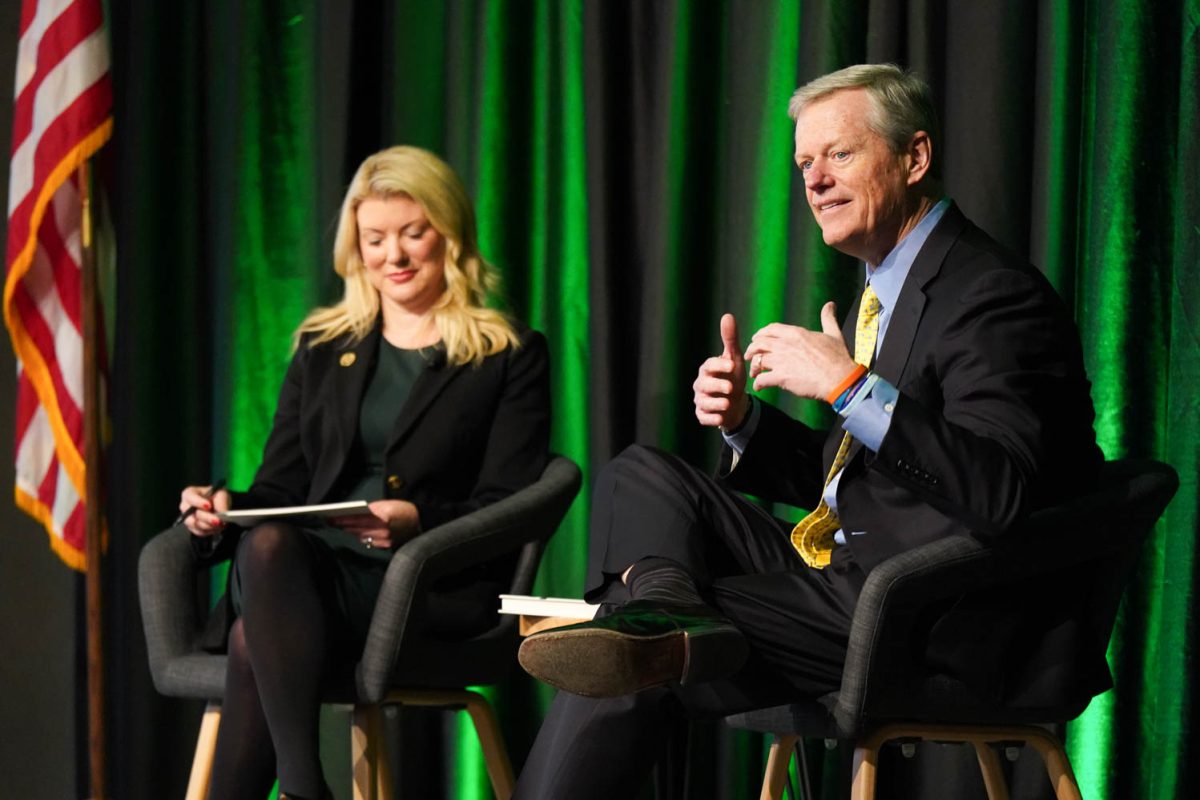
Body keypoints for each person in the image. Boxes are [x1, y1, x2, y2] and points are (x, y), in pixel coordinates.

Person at [513, 64, 1102, 798]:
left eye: (840, 155)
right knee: (642, 474)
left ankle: (661, 621)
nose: (814, 181)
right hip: (861, 576)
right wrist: (746, 425)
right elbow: (878, 480)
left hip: (926, 608)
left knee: (628, 647)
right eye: (803, 164)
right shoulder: (889, 287)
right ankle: (670, 607)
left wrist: (849, 386)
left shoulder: (990, 294)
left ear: (915, 157)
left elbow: (998, 489)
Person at [176, 145, 551, 800]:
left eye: (413, 234)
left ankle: (301, 789)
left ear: (451, 234)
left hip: (425, 583)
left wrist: (417, 523)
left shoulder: (506, 353)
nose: (394, 257)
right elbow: (280, 490)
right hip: (303, 571)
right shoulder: (324, 347)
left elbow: (511, 501)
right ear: (356, 247)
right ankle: (301, 786)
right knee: (266, 546)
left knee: (248, 636)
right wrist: (220, 506)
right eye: (375, 239)